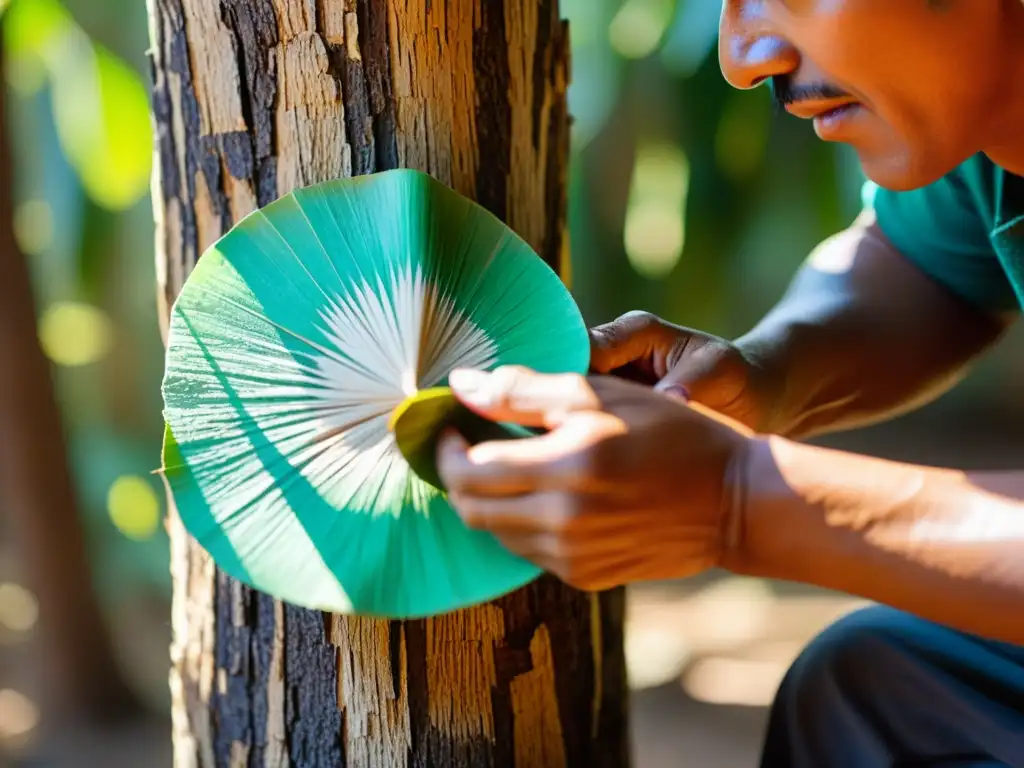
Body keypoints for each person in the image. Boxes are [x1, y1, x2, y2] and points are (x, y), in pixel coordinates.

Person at [437, 2, 1024, 766]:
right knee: (870, 693)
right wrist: (764, 377)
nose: (743, 58)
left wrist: (740, 500)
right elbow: (931, 267)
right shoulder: (991, 135)